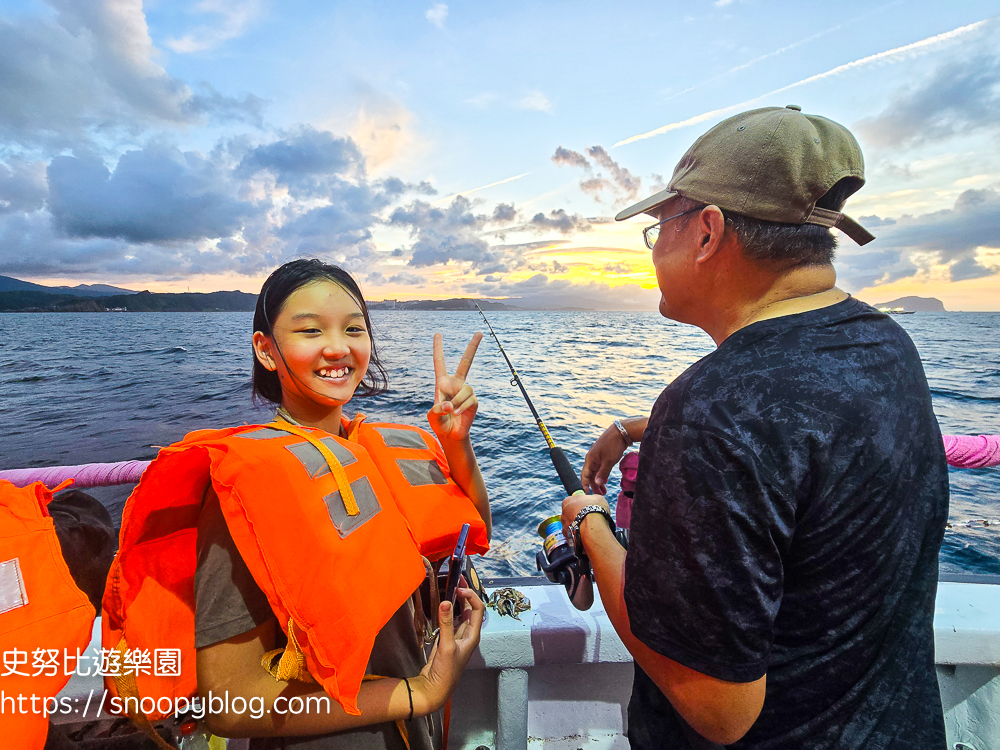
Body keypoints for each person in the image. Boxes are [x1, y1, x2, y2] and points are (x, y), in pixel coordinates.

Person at [562, 106, 948, 749]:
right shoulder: (886, 345)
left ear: (707, 232)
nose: (655, 247)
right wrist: (647, 428)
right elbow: (805, 431)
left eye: (660, 226)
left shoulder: (714, 408)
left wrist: (588, 523)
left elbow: (718, 705)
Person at [103, 259, 489, 750]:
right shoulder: (249, 485)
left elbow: (475, 529)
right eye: (310, 330)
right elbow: (229, 700)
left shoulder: (370, 447)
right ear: (266, 350)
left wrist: (457, 445)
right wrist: (419, 692)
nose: (337, 346)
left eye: (354, 328)